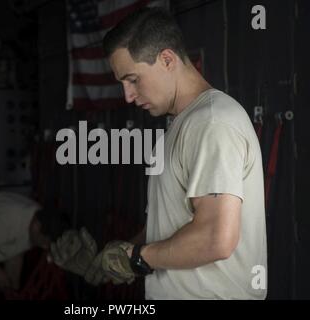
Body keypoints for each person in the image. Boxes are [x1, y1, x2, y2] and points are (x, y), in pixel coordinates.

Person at [70, 7, 267, 300]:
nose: (127, 96)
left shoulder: (212, 122)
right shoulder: (182, 124)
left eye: (133, 79)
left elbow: (216, 238)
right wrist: (120, 254)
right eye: (122, 83)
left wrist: (138, 257)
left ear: (167, 59)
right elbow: (176, 225)